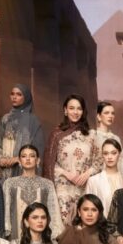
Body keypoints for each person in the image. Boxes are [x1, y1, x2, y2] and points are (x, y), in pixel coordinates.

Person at [45, 94, 102, 224]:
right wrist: (66, 174)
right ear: (65, 110)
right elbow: (49, 164)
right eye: (71, 108)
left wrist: (87, 174)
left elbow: (99, 161)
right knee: (64, 226)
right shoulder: (57, 134)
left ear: (83, 111)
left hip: (84, 187)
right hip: (63, 188)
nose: (75, 112)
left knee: (83, 224)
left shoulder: (91, 135)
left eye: (79, 108)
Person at [2, 144, 62, 242]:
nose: (28, 159)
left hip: (41, 236)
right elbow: (6, 210)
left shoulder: (47, 184)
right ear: (19, 161)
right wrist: (6, 229)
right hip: (15, 236)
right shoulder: (9, 183)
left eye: (32, 156)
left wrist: (54, 232)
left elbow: (53, 210)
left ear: (38, 160)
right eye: (24, 156)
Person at [0, 83, 45, 182]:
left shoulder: (33, 121)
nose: (14, 97)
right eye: (12, 94)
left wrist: (19, 158)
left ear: (26, 98)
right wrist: (0, 159)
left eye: (19, 94)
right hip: (6, 170)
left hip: (24, 168)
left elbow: (38, 149)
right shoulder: (5, 119)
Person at [85, 138, 123, 214]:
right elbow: (88, 208)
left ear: (119, 154)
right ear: (102, 155)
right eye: (106, 153)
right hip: (101, 221)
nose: (109, 157)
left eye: (113, 153)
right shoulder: (93, 181)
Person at [94, 100, 123, 174]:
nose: (110, 116)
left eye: (112, 113)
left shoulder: (116, 138)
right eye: (106, 113)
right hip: (96, 176)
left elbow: (121, 162)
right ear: (99, 116)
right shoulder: (93, 135)